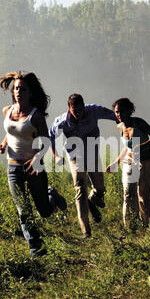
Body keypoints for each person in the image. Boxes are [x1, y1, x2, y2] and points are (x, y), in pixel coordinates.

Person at [0, 71, 67, 256]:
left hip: (34, 166)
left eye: (22, 89)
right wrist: (4, 144)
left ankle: (51, 195)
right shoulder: (7, 110)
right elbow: (11, 131)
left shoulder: (36, 116)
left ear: (30, 92)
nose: (18, 91)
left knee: (44, 211)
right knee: (23, 209)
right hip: (13, 166)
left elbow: (45, 140)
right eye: (16, 88)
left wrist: (37, 158)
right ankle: (37, 249)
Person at [49, 93, 117, 238]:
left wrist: (124, 125)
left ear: (84, 106)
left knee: (100, 189)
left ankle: (91, 201)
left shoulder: (92, 111)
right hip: (75, 156)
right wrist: (55, 156)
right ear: (69, 109)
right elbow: (50, 137)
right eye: (75, 111)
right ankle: (86, 230)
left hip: (92, 153)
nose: (79, 114)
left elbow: (114, 115)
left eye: (81, 110)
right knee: (80, 188)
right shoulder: (61, 122)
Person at [106, 98, 150, 229]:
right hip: (129, 162)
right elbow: (127, 147)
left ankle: (146, 225)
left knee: (143, 196)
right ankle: (129, 226)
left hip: (146, 162)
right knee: (128, 194)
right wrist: (116, 162)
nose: (119, 115)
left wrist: (141, 146)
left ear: (129, 111)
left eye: (121, 112)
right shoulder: (119, 126)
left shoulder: (139, 123)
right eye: (116, 112)